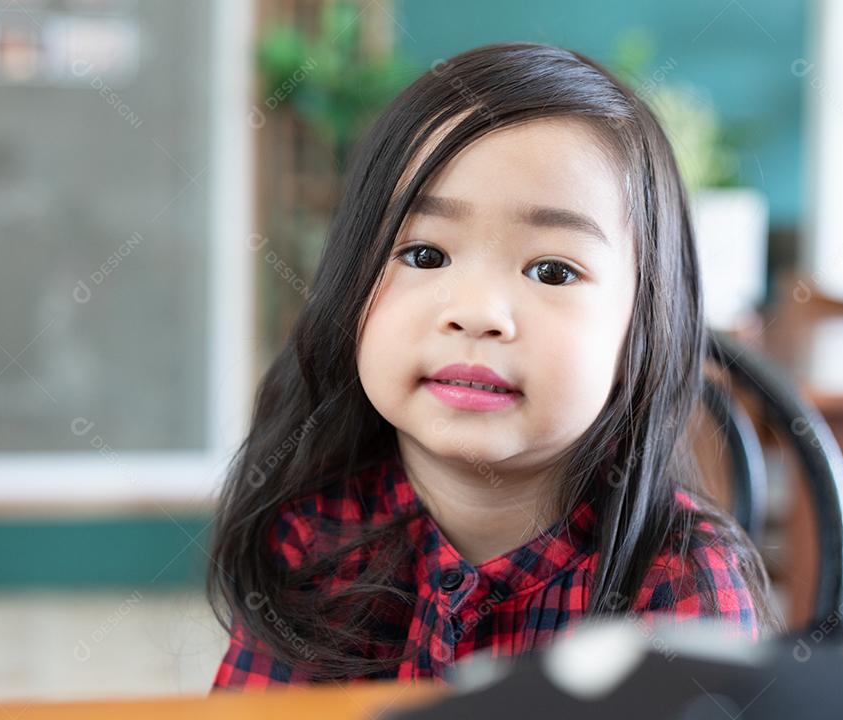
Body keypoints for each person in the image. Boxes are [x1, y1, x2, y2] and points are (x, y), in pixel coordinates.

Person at [208, 42, 784, 692]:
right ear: (350, 285)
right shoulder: (318, 535)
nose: (478, 313)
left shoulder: (680, 581)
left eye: (553, 271)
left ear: (641, 328)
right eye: (425, 255)